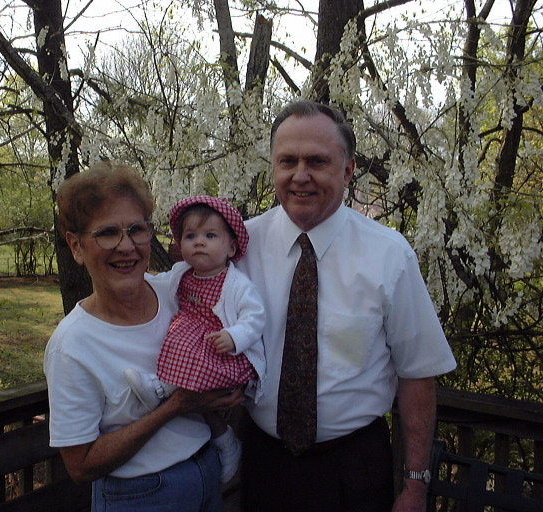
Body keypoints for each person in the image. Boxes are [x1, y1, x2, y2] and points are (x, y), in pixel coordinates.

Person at [236, 100, 457, 512]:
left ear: (348, 169)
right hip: (261, 462)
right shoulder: (239, 247)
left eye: (317, 161)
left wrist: (414, 487)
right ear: (273, 169)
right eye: (287, 161)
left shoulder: (389, 255)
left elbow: (417, 376)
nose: (300, 176)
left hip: (353, 468)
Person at [43, 162, 243, 512]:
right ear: (75, 246)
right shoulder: (72, 345)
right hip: (140, 495)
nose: (127, 246)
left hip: (208, 470)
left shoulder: (178, 291)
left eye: (137, 229)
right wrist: (175, 407)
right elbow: (81, 464)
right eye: (107, 233)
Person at [125, 195, 266, 484]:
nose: (199, 242)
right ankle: (222, 439)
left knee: (185, 348)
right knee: (178, 341)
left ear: (231, 247)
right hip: (192, 348)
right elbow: (155, 281)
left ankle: (161, 391)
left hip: (223, 353)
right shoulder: (182, 273)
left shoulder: (237, 284)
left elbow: (255, 317)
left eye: (210, 235)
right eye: (190, 236)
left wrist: (234, 336)